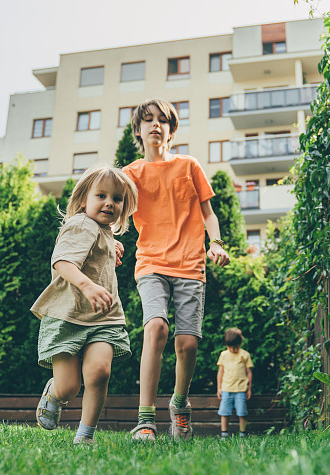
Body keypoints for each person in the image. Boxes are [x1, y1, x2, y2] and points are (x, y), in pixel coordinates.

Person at [122, 98, 230, 441]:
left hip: (190, 265)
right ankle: (145, 420)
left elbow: (208, 213)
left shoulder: (189, 166)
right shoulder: (130, 175)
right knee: (155, 328)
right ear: (138, 131)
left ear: (171, 129)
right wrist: (109, 239)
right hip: (150, 263)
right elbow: (114, 214)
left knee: (187, 344)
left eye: (162, 120)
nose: (155, 125)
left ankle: (179, 405)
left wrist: (215, 242)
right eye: (148, 120)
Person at [30, 164, 138, 445]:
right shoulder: (81, 224)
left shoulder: (103, 231)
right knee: (69, 387)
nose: (109, 203)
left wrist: (109, 246)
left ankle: (85, 436)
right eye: (101, 195)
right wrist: (89, 286)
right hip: (69, 315)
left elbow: (94, 253)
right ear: (83, 201)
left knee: (100, 372)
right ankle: (55, 393)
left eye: (117, 198)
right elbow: (62, 262)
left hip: (104, 317)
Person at [216, 328, 254, 438]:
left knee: (242, 413)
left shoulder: (245, 355)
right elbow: (220, 373)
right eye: (230, 347)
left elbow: (249, 373)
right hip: (226, 389)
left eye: (235, 347)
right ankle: (224, 434)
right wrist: (219, 388)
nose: (232, 349)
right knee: (224, 412)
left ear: (240, 343)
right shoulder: (224, 355)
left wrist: (249, 388)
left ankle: (243, 434)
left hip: (241, 390)